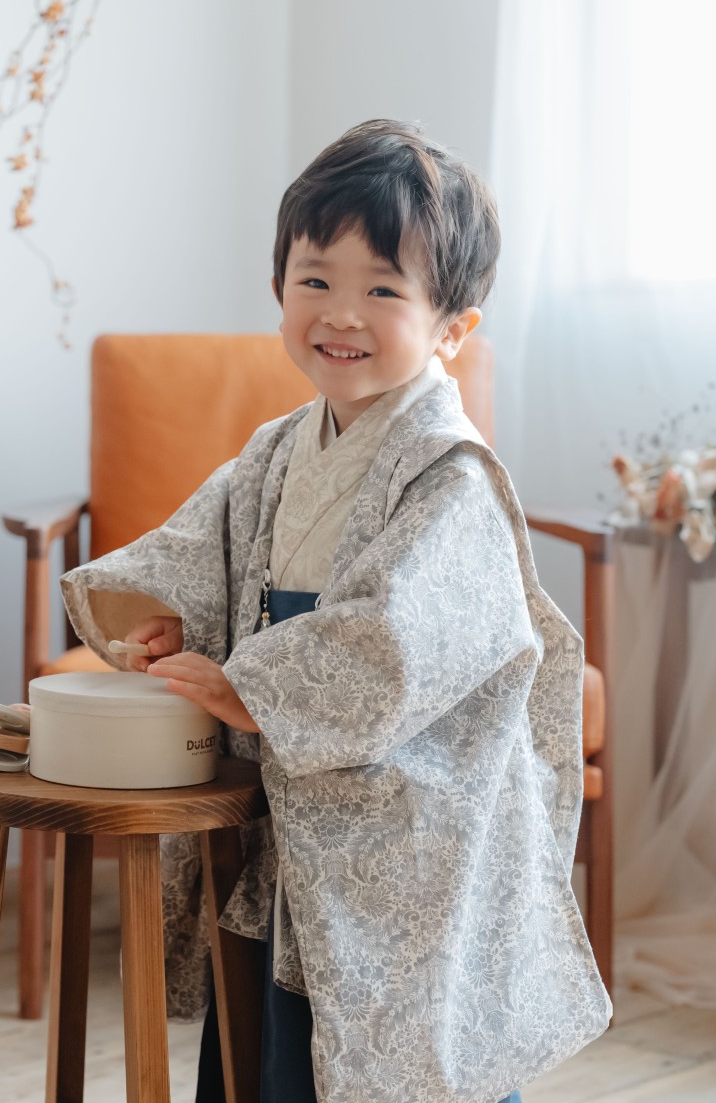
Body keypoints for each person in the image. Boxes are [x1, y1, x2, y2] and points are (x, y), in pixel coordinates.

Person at [61, 120, 611, 1102]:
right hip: (298, 788)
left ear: (453, 328)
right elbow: (198, 555)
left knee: (398, 1045)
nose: (341, 313)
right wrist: (174, 620)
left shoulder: (451, 475)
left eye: (384, 290)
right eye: (315, 279)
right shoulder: (278, 450)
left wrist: (252, 687)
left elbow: (402, 640)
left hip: (406, 812)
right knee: (276, 1034)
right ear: (278, 286)